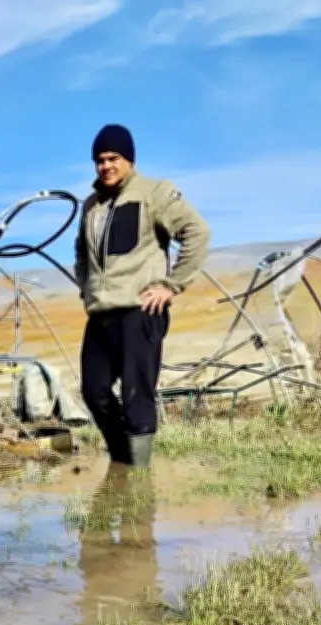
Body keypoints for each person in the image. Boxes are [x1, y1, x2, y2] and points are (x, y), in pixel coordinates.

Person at [74, 124, 210, 467]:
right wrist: (86, 289)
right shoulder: (91, 206)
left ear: (129, 160)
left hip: (139, 312)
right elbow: (81, 255)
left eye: (113, 158)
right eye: (100, 160)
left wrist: (171, 284)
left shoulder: (155, 193)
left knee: (137, 397)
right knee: (94, 392)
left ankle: (138, 480)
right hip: (101, 315)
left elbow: (197, 232)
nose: (106, 166)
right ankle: (122, 463)